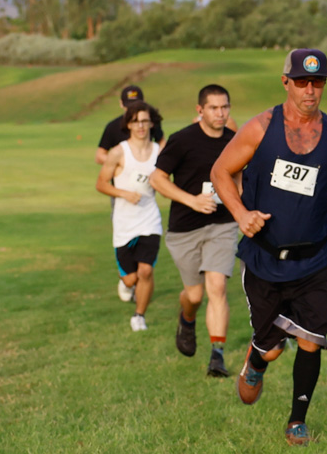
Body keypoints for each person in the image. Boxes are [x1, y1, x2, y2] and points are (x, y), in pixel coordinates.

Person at [210, 48, 327, 446]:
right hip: (264, 259)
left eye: (317, 82)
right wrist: (241, 213)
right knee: (274, 349)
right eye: (302, 82)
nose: (310, 90)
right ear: (286, 82)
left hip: (316, 259)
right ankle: (258, 358)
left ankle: (297, 419)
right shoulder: (261, 128)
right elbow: (221, 171)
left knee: (311, 340)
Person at [148, 85, 238, 377]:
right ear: (200, 110)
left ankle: (217, 356)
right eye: (214, 108)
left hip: (223, 226)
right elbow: (157, 179)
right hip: (185, 229)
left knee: (218, 287)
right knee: (195, 296)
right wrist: (192, 200)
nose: (220, 113)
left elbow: (240, 180)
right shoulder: (182, 140)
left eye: (225, 107)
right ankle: (187, 318)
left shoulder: (235, 142)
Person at [95, 100, 164, 331]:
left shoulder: (159, 152)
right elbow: (101, 184)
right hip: (124, 222)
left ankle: (139, 316)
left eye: (145, 121)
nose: (141, 126)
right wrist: (123, 193)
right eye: (136, 122)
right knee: (131, 278)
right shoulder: (118, 152)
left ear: (151, 123)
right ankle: (126, 283)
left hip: (150, 219)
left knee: (146, 270)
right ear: (129, 125)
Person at [95, 85, 165, 166]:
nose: (133, 110)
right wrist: (123, 163)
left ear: (144, 102)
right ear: (121, 104)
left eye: (137, 105)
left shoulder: (150, 122)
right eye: (129, 106)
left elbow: (161, 142)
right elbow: (100, 156)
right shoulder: (113, 126)